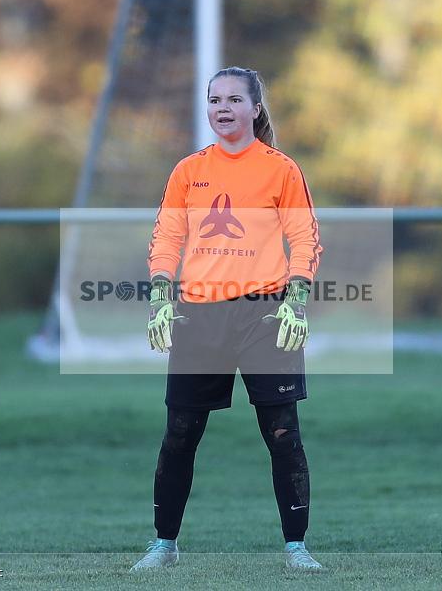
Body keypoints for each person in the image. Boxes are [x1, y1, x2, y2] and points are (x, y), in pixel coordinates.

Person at [131, 67, 324, 572]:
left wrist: (296, 298)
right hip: (199, 315)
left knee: (282, 431)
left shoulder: (281, 169)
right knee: (180, 432)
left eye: (234, 99)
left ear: (255, 109)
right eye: (214, 99)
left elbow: (305, 240)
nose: (222, 108)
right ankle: (164, 545)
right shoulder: (188, 170)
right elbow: (167, 239)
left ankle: (296, 549)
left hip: (266, 315)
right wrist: (160, 296)